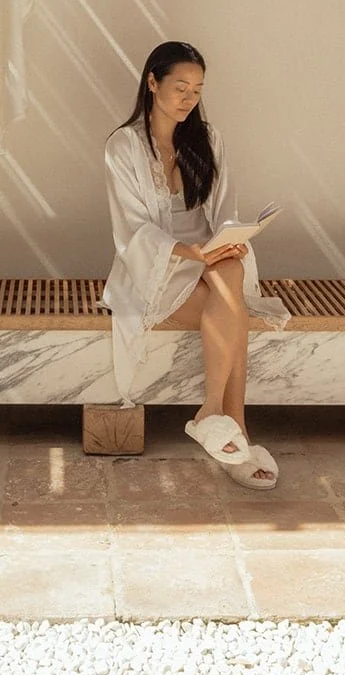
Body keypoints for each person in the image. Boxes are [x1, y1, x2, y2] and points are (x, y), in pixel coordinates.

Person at [102, 41, 289, 489]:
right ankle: (237, 426)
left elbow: (224, 211)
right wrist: (194, 254)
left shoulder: (210, 140)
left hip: (209, 258)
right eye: (180, 87)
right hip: (154, 267)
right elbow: (133, 230)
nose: (188, 98)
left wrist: (231, 241)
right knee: (231, 307)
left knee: (230, 273)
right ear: (152, 82)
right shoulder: (123, 146)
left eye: (197, 90)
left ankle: (211, 412)